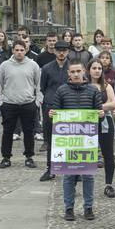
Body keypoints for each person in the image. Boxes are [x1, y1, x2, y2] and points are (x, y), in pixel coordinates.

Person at [48, 60, 104, 221]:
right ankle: (69, 208)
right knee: (69, 176)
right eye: (72, 72)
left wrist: (100, 115)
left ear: (84, 72)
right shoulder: (61, 91)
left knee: (88, 176)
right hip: (68, 141)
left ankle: (88, 207)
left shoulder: (93, 91)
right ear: (68, 74)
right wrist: (52, 114)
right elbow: (56, 115)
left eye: (78, 71)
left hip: (88, 140)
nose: (75, 74)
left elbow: (98, 116)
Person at [0, 40, 42, 169]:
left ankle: (29, 157)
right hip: (9, 103)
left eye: (22, 50)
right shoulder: (5, 65)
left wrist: (37, 102)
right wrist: (0, 102)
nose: (19, 52)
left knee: (29, 131)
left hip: (28, 103)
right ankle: (6, 157)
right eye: (17, 50)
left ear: (26, 50)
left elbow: (39, 85)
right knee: (8, 131)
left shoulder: (33, 65)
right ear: (13, 50)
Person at [39, 40, 70, 182]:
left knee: (71, 139)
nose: (61, 53)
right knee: (51, 138)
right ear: (55, 51)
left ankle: (73, 169)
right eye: (59, 50)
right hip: (51, 105)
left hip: (69, 105)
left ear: (68, 51)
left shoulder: (74, 67)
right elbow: (43, 87)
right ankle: (50, 168)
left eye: (64, 50)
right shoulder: (46, 68)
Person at [87, 58, 115, 198]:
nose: (97, 71)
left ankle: (109, 184)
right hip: (87, 123)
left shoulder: (106, 86)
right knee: (85, 153)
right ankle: (78, 180)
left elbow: (113, 103)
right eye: (94, 68)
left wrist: (101, 108)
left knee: (108, 153)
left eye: (99, 68)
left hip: (105, 122)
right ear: (89, 70)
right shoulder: (84, 86)